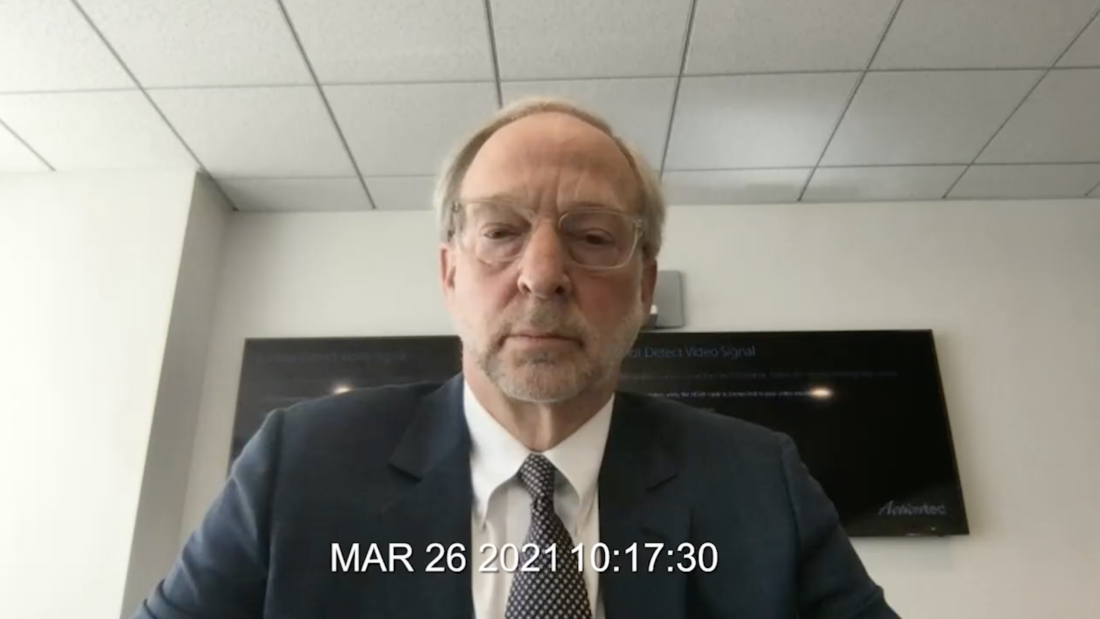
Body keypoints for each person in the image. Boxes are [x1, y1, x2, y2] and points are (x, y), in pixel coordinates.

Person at [133, 98, 900, 618]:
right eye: (500, 231)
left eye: (593, 235)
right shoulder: (298, 463)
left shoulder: (760, 480)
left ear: (643, 285)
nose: (541, 273)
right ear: (449, 274)